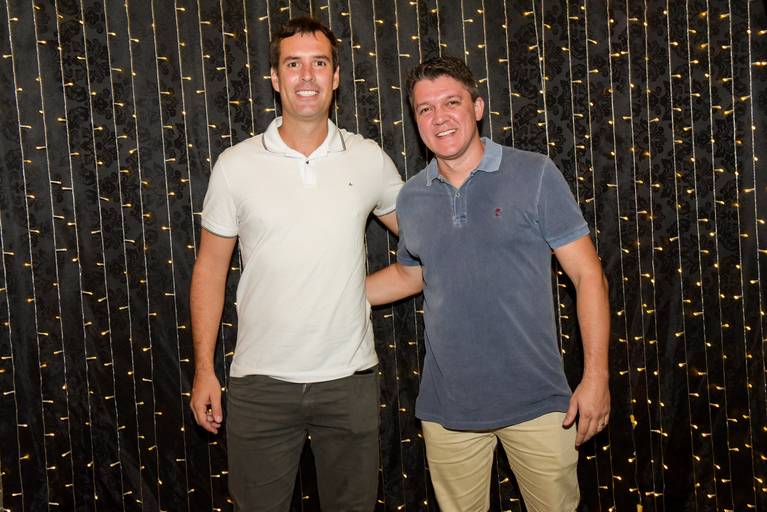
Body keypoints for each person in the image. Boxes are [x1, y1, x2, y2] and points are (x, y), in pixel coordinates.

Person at [366, 56, 610, 512]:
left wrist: (596, 377)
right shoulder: (412, 197)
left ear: (477, 108)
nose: (439, 117)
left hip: (538, 403)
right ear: (415, 121)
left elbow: (587, 274)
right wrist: (336, 296)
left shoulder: (534, 173)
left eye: (451, 102)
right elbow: (411, 274)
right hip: (448, 410)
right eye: (425, 109)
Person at [189, 17, 402, 511]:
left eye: (319, 63)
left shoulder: (368, 158)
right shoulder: (236, 164)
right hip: (259, 385)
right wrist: (203, 370)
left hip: (348, 382)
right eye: (293, 64)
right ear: (275, 77)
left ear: (336, 76)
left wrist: (354, 294)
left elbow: (428, 248)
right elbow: (210, 271)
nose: (307, 76)